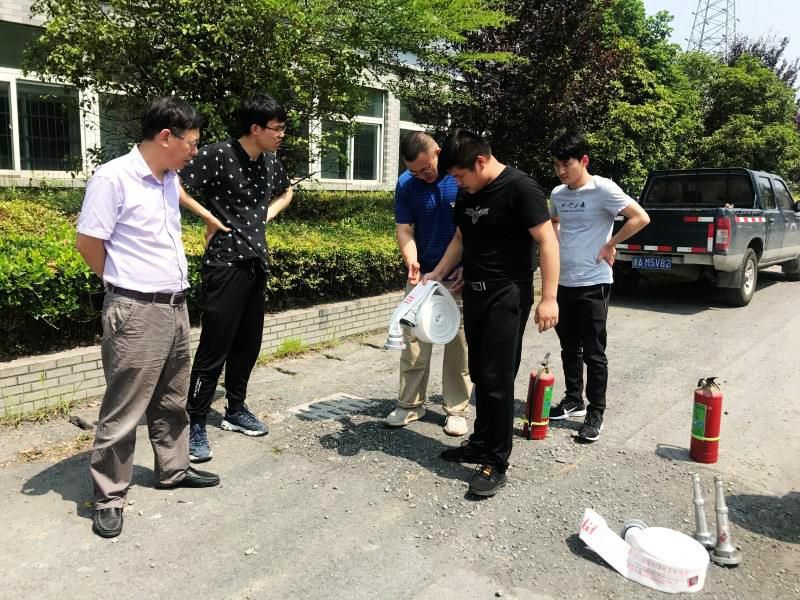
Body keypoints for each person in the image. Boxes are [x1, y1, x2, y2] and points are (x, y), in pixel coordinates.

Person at [76, 96, 220, 539]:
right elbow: (88, 242)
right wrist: (122, 283)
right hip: (136, 309)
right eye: (192, 142)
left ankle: (173, 469)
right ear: (166, 137)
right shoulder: (113, 177)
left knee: (172, 398)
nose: (195, 150)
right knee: (125, 407)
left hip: (175, 305)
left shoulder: (168, 179)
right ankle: (109, 495)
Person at [424, 129, 560, 497]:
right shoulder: (468, 193)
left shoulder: (521, 189)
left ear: (480, 162)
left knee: (498, 378)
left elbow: (547, 241)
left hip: (507, 293)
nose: (458, 184)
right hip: (475, 293)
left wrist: (549, 297)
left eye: (460, 176)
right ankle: (481, 443)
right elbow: (460, 238)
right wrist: (438, 273)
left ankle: (496, 461)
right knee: (480, 374)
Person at [179, 93, 293, 463]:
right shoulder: (217, 154)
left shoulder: (270, 160)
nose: (282, 134)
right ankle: (195, 421)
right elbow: (173, 182)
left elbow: (287, 191)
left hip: (257, 262)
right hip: (224, 264)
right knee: (215, 347)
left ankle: (236, 408)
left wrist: (264, 216)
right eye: (277, 128)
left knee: (248, 344)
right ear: (255, 128)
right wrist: (208, 217)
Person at [547, 131, 650, 442]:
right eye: (556, 165)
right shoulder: (558, 194)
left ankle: (596, 412)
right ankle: (573, 400)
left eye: (566, 164)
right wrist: (556, 245)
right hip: (563, 281)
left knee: (594, 352)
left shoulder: (603, 188)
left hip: (594, 281)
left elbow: (640, 217)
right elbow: (553, 221)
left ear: (584, 161)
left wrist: (611, 243)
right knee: (569, 347)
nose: (561, 171)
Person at [384, 131, 472, 436]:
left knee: (458, 345)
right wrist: (411, 260)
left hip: (458, 276)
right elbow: (405, 229)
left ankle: (456, 409)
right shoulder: (406, 183)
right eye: (415, 172)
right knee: (413, 342)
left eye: (426, 168)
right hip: (422, 277)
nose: (422, 176)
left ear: (438, 152)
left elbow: (470, 230)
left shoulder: (458, 177)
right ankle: (410, 404)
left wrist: (469, 265)